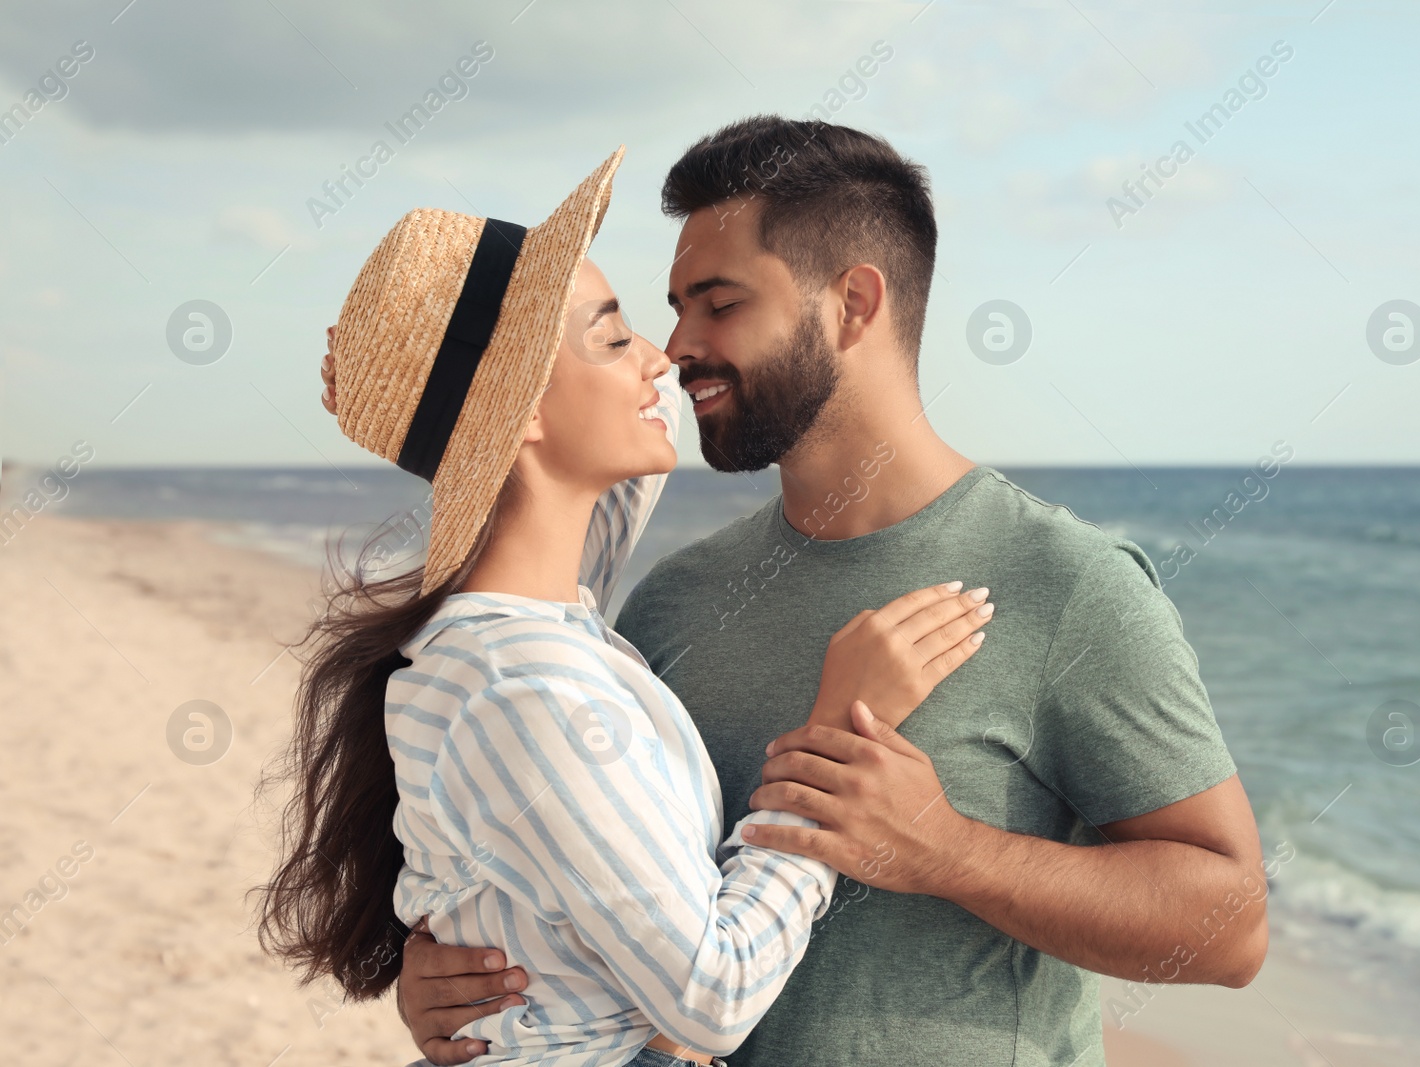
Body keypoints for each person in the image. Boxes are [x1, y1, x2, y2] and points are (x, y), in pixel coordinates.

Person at [354, 117, 1268, 1067]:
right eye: (667, 310)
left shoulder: (1065, 583)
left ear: (853, 304)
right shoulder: (672, 604)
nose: (675, 347)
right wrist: (475, 989)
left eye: (718, 304)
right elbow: (612, 904)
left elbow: (1232, 927)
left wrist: (946, 849)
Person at [260, 146, 996, 1067]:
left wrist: (417, 411)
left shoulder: (542, 619)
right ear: (519, 411)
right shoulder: (523, 688)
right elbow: (711, 997)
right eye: (614, 337)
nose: (663, 356)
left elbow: (618, 475)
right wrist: (837, 734)